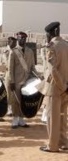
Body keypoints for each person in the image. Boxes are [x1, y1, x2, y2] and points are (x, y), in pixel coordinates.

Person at [37, 22, 68, 152]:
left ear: (52, 33)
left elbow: (53, 70)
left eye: (47, 33)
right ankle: (64, 142)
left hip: (56, 87)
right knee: (62, 116)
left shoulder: (52, 47)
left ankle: (53, 145)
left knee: (52, 117)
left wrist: (62, 85)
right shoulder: (66, 45)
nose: (47, 36)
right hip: (66, 86)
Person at [8, 32, 40, 129]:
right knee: (15, 100)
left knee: (23, 100)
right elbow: (10, 68)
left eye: (24, 38)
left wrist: (37, 76)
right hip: (16, 81)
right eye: (21, 38)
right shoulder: (13, 51)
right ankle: (15, 119)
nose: (23, 40)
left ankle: (21, 119)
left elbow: (32, 67)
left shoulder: (30, 51)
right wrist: (11, 81)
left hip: (27, 80)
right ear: (17, 39)